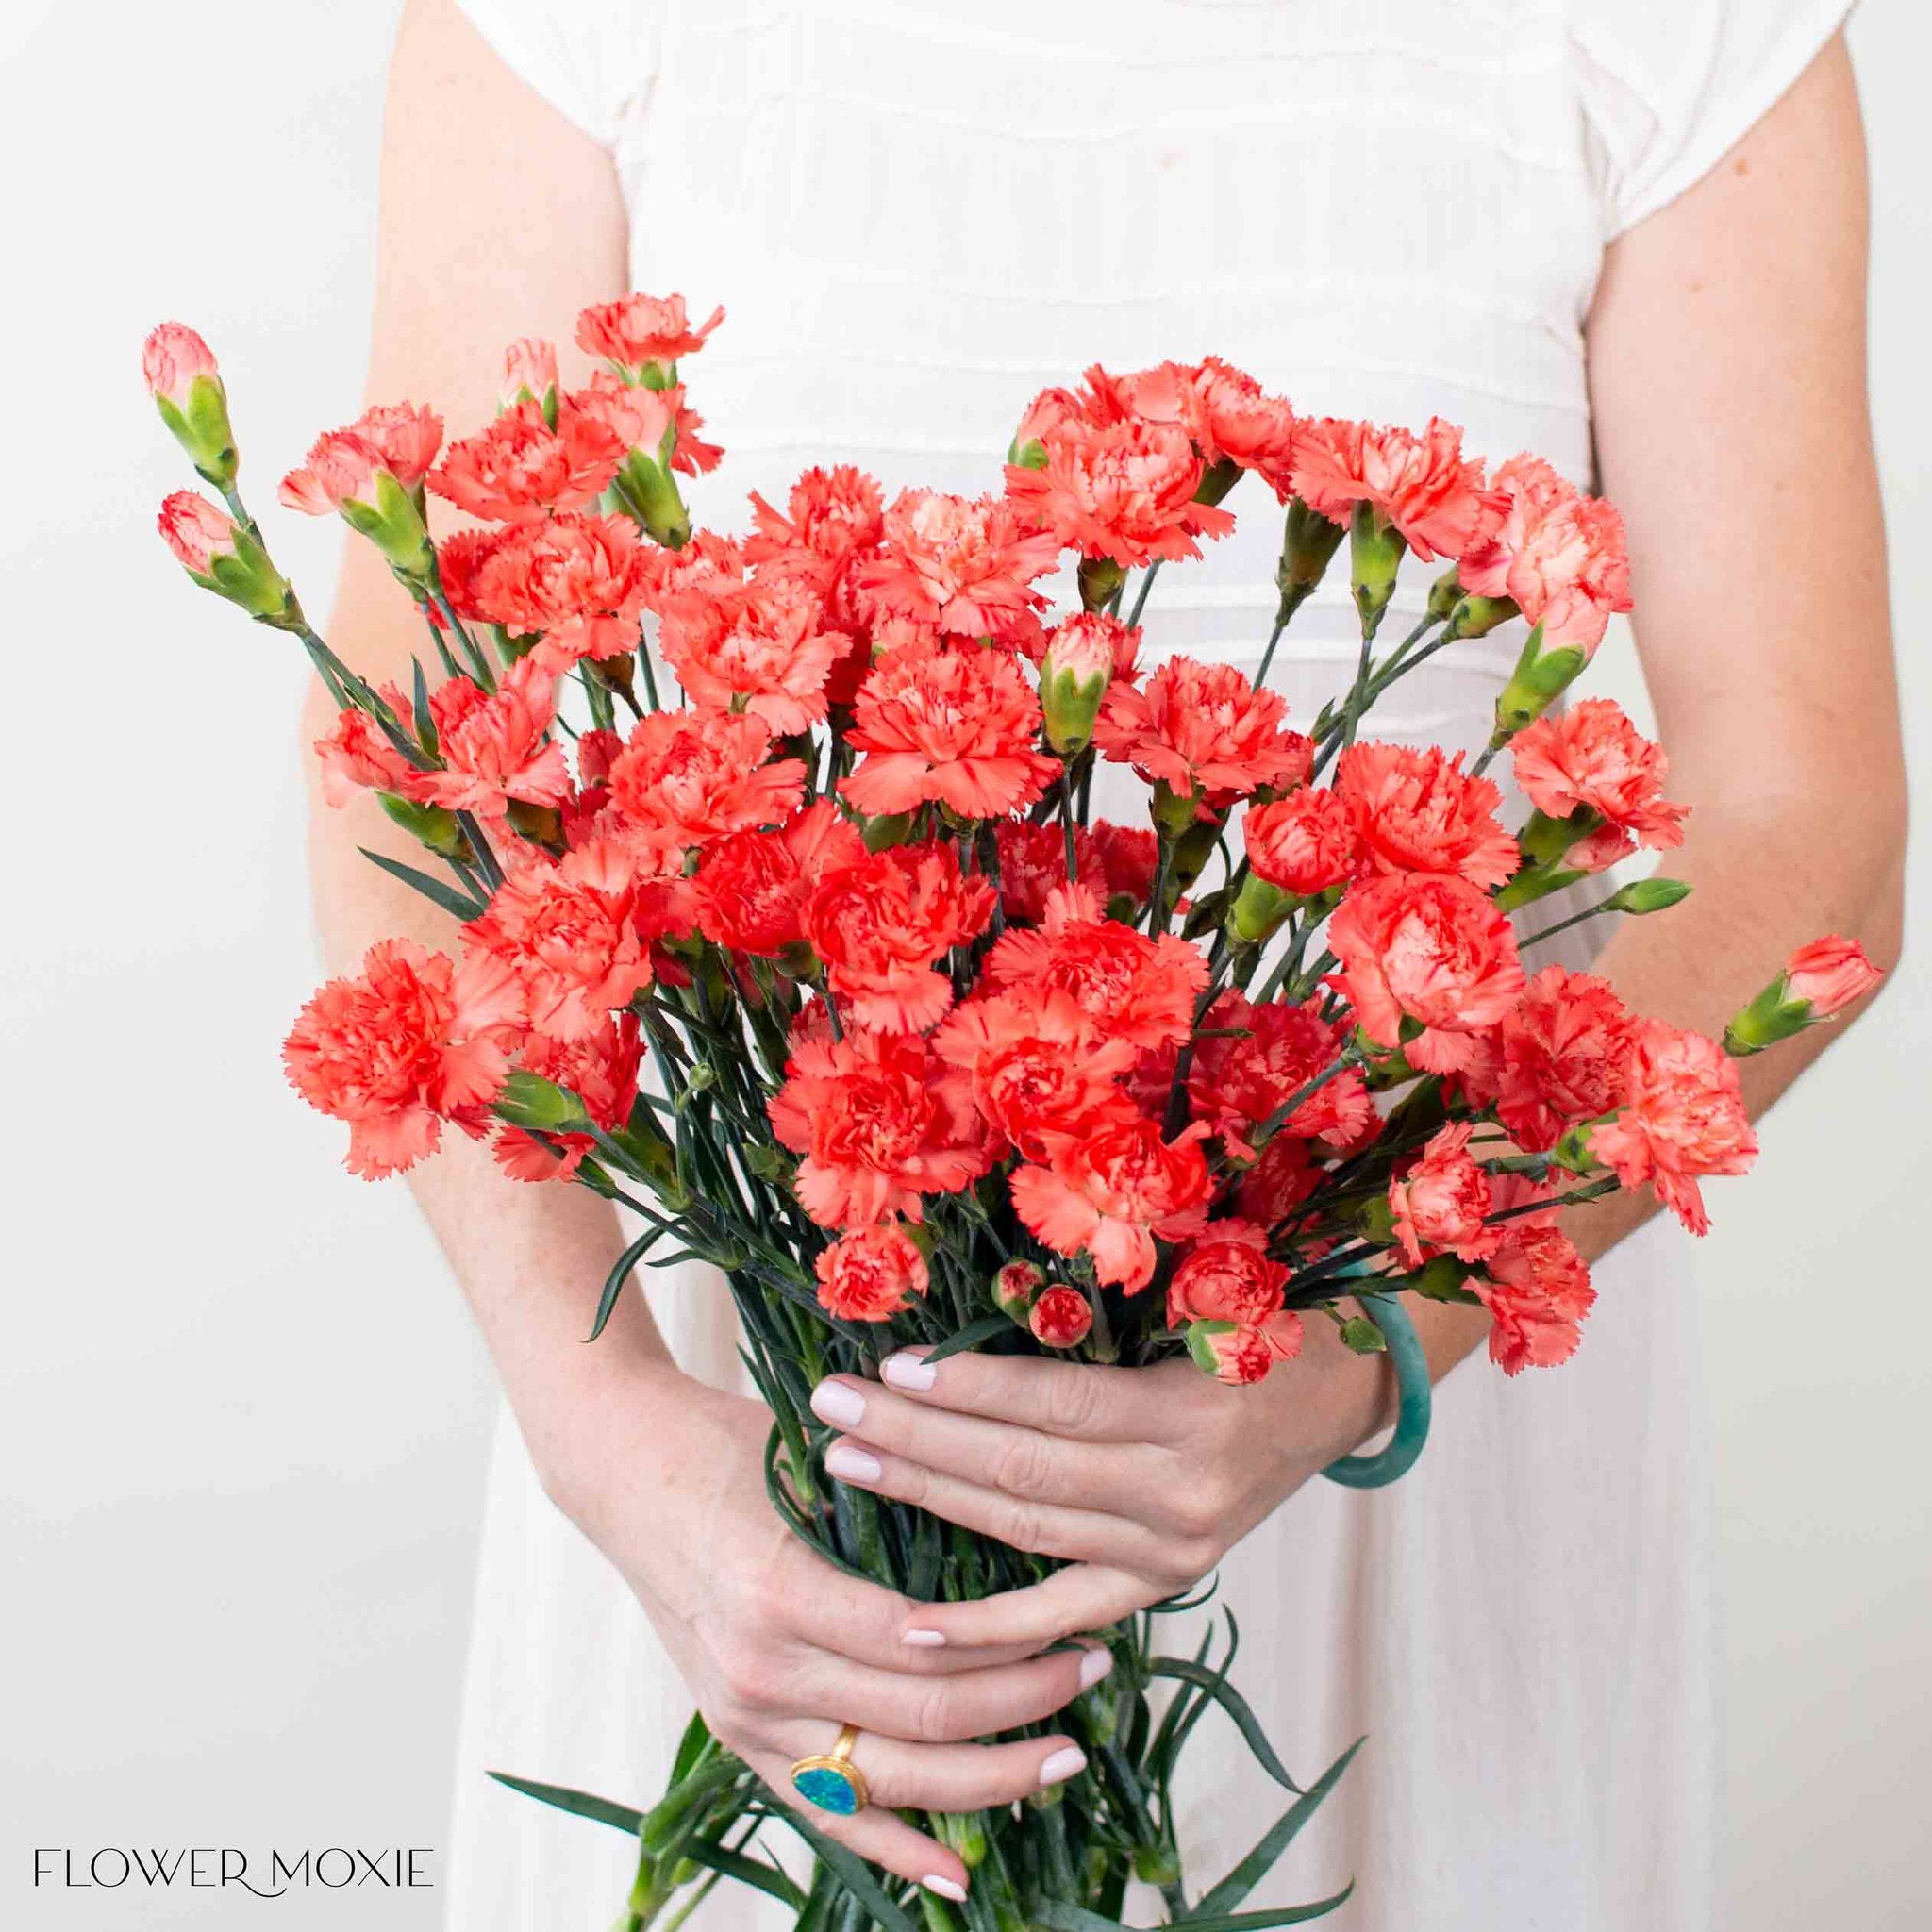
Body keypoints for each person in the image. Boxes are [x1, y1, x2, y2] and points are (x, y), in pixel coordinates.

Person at [305, 2, 1905, 1924]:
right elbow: (424, 740)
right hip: (756, 1475)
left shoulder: (1689, 31)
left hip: (1391, 1384)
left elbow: (1806, 830)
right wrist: (614, 1435)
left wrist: (1351, 1347)